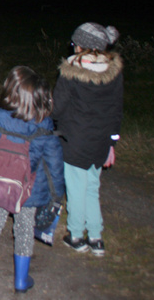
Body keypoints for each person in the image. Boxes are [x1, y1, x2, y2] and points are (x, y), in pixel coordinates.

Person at [0, 66, 65, 294]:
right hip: (30, 191)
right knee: (24, 230)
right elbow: (54, 162)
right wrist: (57, 194)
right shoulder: (44, 124)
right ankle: (21, 280)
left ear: (10, 91)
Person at [53, 22, 123, 257]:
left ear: (81, 46)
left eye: (74, 43)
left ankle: (75, 236)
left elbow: (58, 108)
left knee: (76, 187)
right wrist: (112, 144)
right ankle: (96, 237)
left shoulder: (71, 70)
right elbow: (116, 111)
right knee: (92, 187)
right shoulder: (113, 71)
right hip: (100, 142)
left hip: (75, 140)